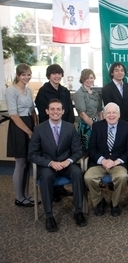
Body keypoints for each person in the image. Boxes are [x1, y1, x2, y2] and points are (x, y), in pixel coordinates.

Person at [28, 99, 86, 232]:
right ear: (47, 111)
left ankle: (78, 211)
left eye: (58, 109)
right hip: (48, 165)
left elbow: (78, 150)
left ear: (63, 111)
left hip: (66, 163)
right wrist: (50, 163)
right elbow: (32, 154)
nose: (55, 112)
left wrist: (69, 161)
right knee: (46, 177)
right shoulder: (39, 129)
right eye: (52, 109)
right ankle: (49, 216)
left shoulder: (70, 127)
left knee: (78, 173)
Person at [84, 103, 128, 217]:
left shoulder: (127, 127)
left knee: (122, 177)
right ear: (104, 115)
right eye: (108, 113)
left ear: (119, 114)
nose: (111, 115)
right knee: (88, 177)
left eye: (114, 112)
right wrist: (102, 160)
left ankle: (114, 203)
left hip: (118, 163)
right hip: (99, 163)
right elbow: (91, 148)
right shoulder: (97, 126)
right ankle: (99, 201)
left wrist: (116, 161)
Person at [35, 63, 74, 200]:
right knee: (52, 157)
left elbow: (68, 109)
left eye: (59, 73)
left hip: (65, 129)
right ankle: (52, 190)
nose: (57, 76)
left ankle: (60, 188)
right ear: (49, 75)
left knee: (63, 155)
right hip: (49, 130)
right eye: (53, 73)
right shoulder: (43, 91)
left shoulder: (64, 91)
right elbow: (43, 112)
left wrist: (67, 127)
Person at [5, 63, 37, 207]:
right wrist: (28, 131)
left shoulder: (29, 90)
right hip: (19, 127)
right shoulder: (11, 91)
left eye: (28, 74)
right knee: (21, 163)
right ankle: (19, 197)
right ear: (18, 76)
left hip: (29, 124)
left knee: (28, 162)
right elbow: (14, 115)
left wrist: (35, 126)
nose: (26, 77)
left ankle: (26, 195)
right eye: (23, 74)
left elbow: (32, 111)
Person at [73, 69, 103, 151]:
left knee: (99, 147)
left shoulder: (95, 93)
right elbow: (82, 113)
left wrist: (102, 123)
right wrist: (93, 125)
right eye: (87, 78)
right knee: (88, 148)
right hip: (86, 124)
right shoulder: (79, 93)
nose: (90, 80)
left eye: (91, 78)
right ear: (82, 79)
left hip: (96, 122)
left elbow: (100, 110)